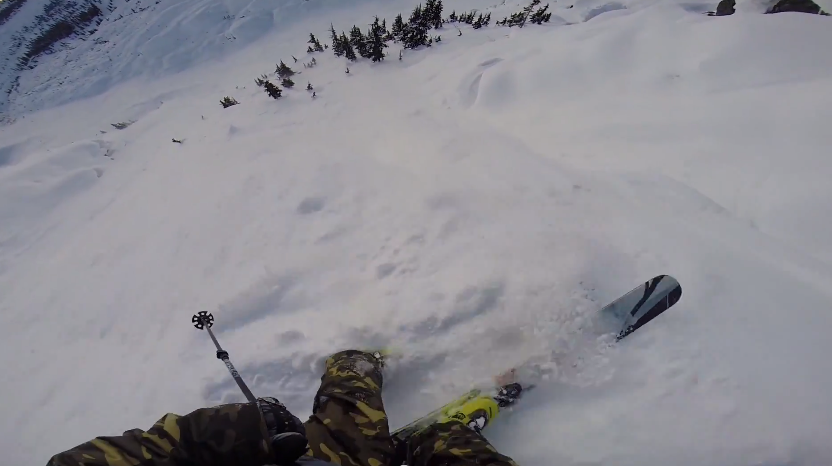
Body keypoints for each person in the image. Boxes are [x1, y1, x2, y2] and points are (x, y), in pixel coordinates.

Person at [47, 350, 519, 466]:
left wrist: (241, 431)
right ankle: (447, 438)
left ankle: (362, 362)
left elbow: (158, 447)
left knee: (350, 396)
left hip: (316, 458)